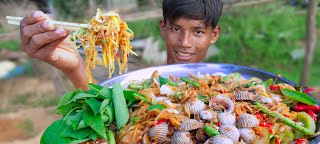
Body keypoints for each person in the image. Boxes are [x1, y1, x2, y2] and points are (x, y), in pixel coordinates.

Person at [19, 0, 223, 90]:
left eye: (198, 32)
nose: (185, 43)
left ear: (213, 35)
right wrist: (74, 67)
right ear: (163, 28)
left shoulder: (223, 88)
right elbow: (101, 116)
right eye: (176, 29)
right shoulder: (138, 85)